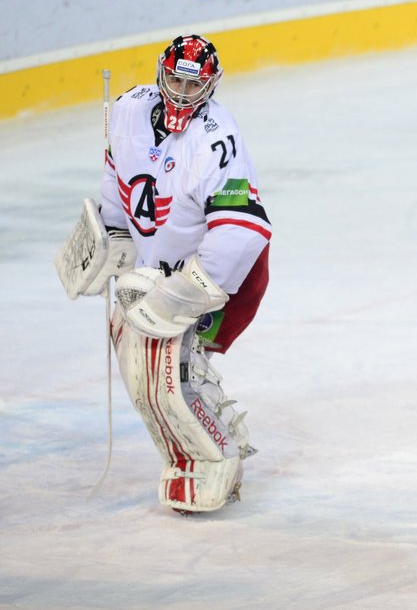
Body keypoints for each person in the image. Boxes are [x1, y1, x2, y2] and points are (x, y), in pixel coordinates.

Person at [59, 34, 271, 514]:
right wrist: (111, 239)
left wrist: (185, 294)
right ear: (160, 73)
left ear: (211, 86)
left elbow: (244, 230)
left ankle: (217, 458)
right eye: (174, 78)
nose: (181, 91)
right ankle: (190, 453)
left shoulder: (217, 137)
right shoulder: (130, 109)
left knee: (174, 375)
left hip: (223, 275)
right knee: (141, 370)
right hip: (154, 267)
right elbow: (117, 175)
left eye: (193, 85)